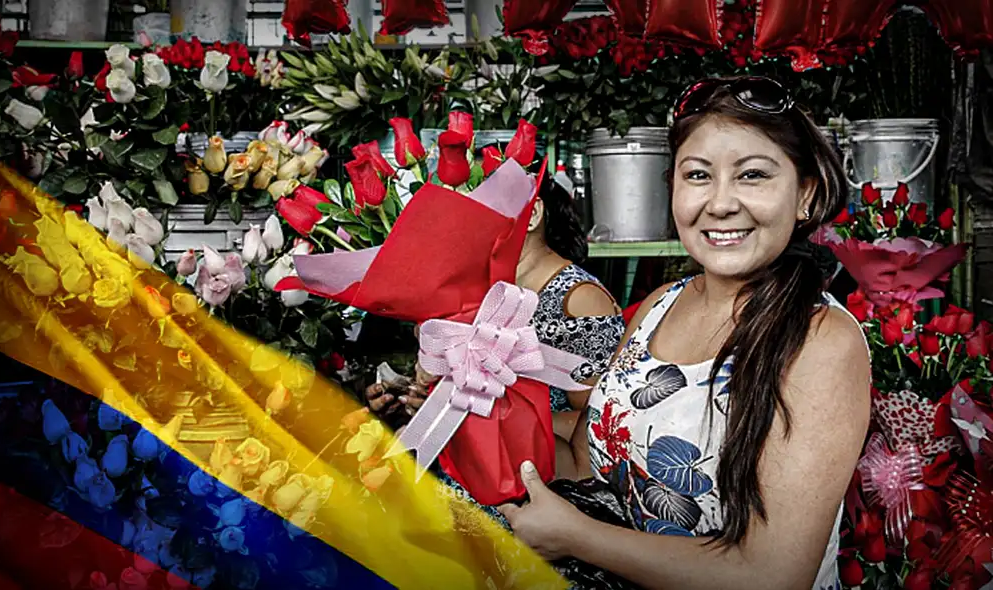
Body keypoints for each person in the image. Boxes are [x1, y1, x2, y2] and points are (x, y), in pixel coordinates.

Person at [497, 77, 871, 590]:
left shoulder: (821, 339)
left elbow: (773, 574)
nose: (719, 204)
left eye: (753, 175)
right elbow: (586, 464)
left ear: (805, 194)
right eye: (698, 175)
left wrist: (576, 537)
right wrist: (479, 397)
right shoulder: (658, 306)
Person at [365, 173, 625, 524]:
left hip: (535, 500)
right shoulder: (480, 293)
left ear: (532, 215)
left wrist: (504, 417)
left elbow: (602, 427)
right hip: (466, 486)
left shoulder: (579, 299)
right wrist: (429, 406)